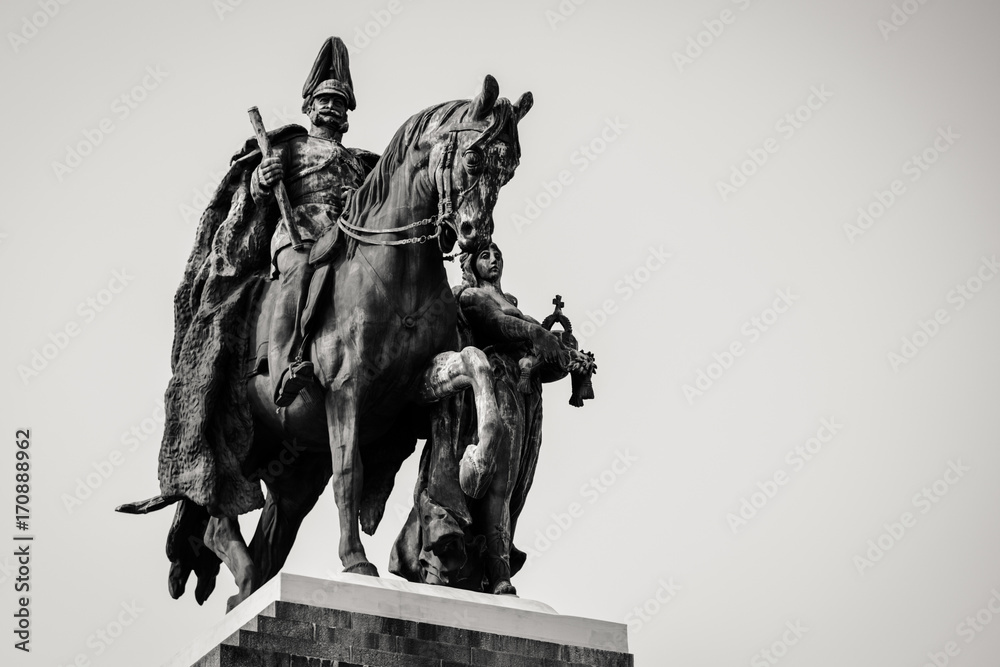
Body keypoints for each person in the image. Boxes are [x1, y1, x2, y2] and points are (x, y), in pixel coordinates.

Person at [251, 36, 372, 406]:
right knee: (300, 272)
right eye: (326, 101)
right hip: (299, 231)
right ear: (310, 106)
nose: (333, 107)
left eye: (339, 102)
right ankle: (284, 367)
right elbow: (257, 192)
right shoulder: (293, 147)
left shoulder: (359, 161)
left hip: (345, 240)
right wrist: (264, 176)